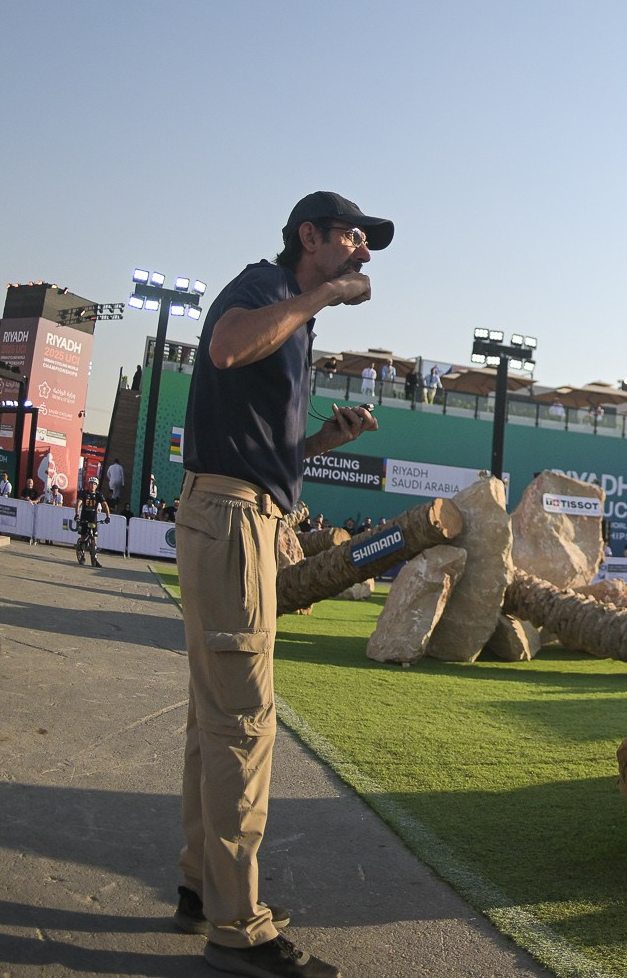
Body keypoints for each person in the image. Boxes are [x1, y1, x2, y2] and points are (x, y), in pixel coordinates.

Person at [170, 189, 391, 978]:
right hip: (231, 521)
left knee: (213, 718)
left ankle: (201, 884)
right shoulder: (265, 288)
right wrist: (322, 293)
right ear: (310, 236)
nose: (362, 253)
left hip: (244, 512)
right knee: (242, 723)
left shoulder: (292, 314)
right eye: (352, 238)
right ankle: (240, 926)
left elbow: (260, 450)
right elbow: (225, 346)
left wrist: (323, 439)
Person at [76, 492, 106, 567]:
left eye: (94, 484)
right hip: (84, 518)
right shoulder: (84, 494)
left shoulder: (98, 496)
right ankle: (81, 555)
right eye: (91, 484)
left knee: (94, 539)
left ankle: (95, 560)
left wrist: (108, 516)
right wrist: (77, 514)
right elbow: (78, 503)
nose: (92, 486)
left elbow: (105, 505)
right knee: (83, 537)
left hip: (93, 520)